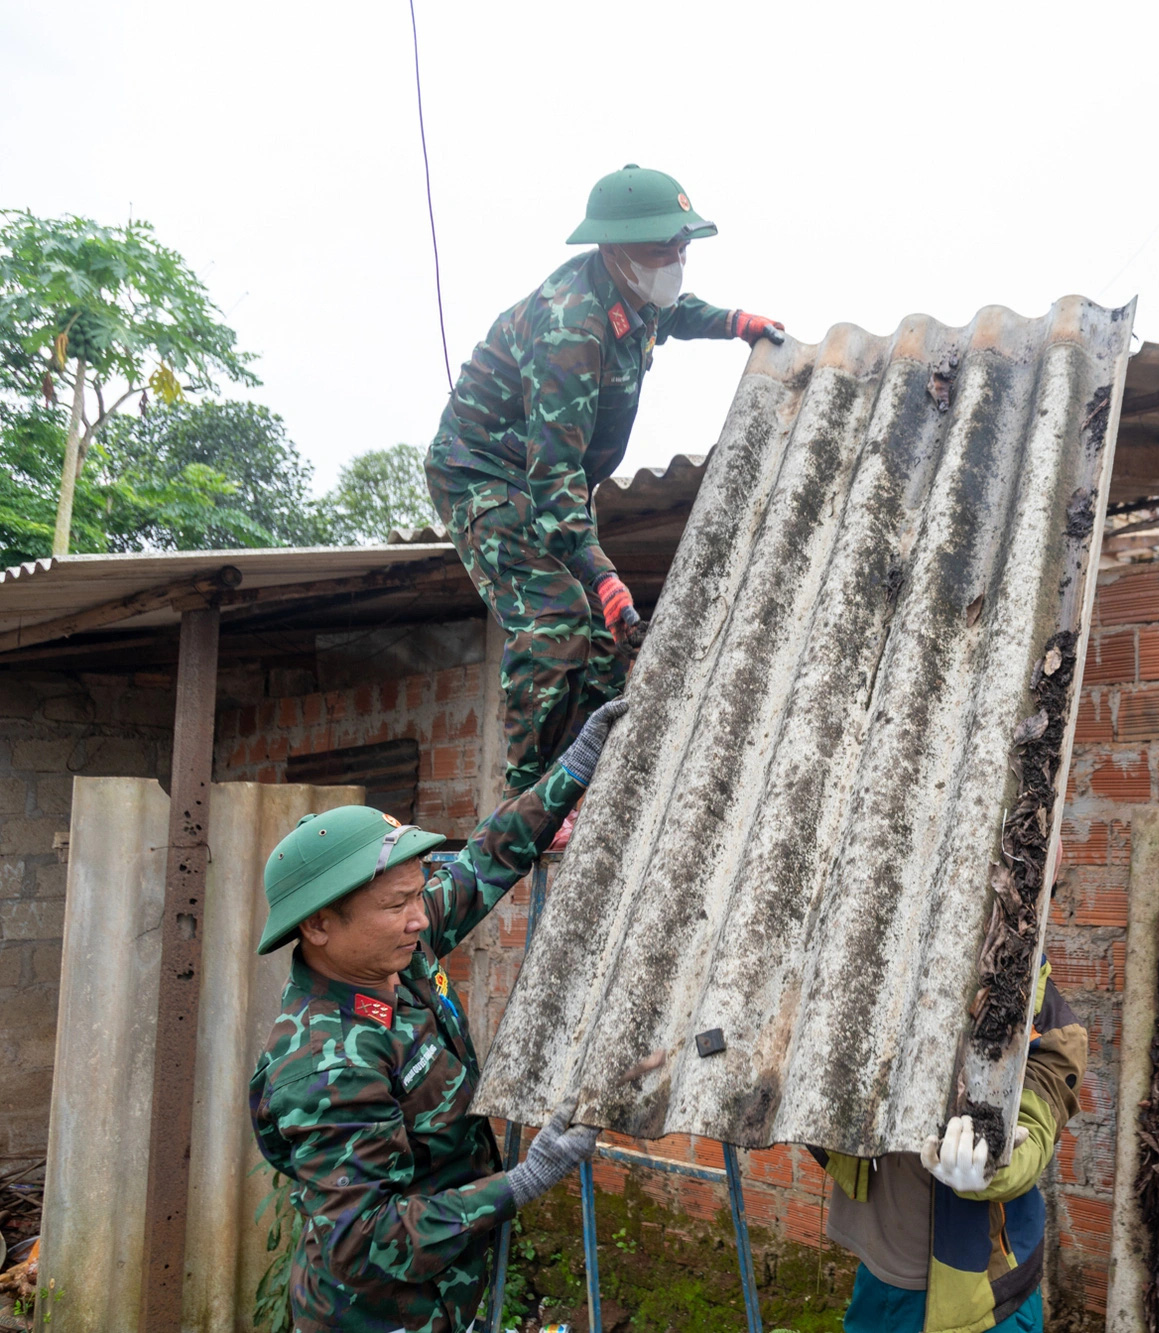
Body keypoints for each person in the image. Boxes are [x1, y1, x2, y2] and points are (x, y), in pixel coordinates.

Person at [247, 700, 628, 1333]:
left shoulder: (400, 951)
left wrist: (577, 765)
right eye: (398, 903)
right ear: (318, 925)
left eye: (419, 892)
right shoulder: (327, 1063)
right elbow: (364, 1243)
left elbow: (486, 855)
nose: (421, 917)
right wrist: (522, 1182)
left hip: (452, 1293)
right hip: (381, 1316)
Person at [427, 163, 785, 794]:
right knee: (557, 618)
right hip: (483, 472)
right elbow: (555, 472)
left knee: (604, 640)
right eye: (660, 250)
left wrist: (735, 323)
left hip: (546, 477)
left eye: (682, 247)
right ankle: (528, 794)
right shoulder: (571, 328)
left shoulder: (633, 292)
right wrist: (603, 574)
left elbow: (674, 312)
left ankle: (580, 778)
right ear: (614, 252)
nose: (675, 260)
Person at [815, 954, 1088, 1333]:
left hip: (987, 1292)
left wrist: (994, 1165)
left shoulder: (1031, 990)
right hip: (882, 1274)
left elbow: (1037, 1121)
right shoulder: (862, 950)